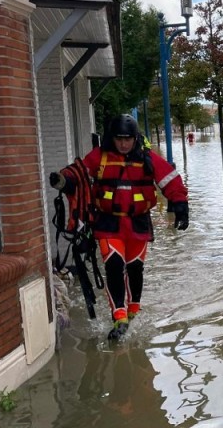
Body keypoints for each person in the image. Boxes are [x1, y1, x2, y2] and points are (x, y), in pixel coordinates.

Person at [49, 114, 189, 340]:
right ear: (111, 139)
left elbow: (169, 179)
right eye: (119, 139)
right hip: (108, 222)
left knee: (135, 270)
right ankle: (119, 316)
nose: (124, 144)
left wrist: (181, 204)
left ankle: (133, 309)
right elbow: (80, 171)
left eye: (128, 139)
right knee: (114, 267)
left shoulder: (147, 159)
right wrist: (63, 180)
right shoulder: (100, 157)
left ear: (135, 139)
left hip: (138, 222)